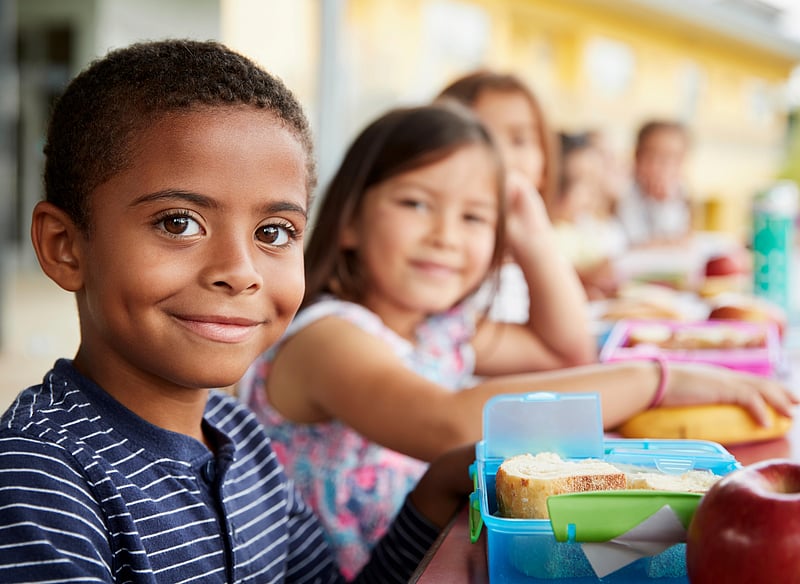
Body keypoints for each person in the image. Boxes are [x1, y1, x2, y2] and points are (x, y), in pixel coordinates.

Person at [239, 101, 797, 575]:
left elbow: (566, 349)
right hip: (383, 568)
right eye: (416, 204)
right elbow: (449, 424)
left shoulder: (440, 330)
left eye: (475, 218)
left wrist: (530, 232)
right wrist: (658, 379)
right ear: (350, 220)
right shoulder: (326, 337)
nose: (445, 236)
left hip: (447, 547)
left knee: (647, 549)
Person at [0, 39, 476, 584]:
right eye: (178, 223)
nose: (241, 269)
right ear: (65, 246)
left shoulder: (239, 436)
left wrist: (436, 490)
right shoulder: (37, 479)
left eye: (273, 233)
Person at [435, 70, 590, 328]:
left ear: (544, 166)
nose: (502, 157)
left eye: (520, 140)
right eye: (481, 135)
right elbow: (571, 352)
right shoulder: (442, 254)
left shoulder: (533, 255)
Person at [551, 131, 626, 299]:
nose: (592, 192)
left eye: (594, 181)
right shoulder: (546, 234)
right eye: (582, 181)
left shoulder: (582, 229)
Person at [615, 119, 693, 247]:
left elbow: (681, 237)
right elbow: (634, 241)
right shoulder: (624, 191)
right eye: (652, 156)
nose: (660, 165)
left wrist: (665, 204)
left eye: (671, 158)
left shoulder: (680, 192)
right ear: (636, 156)